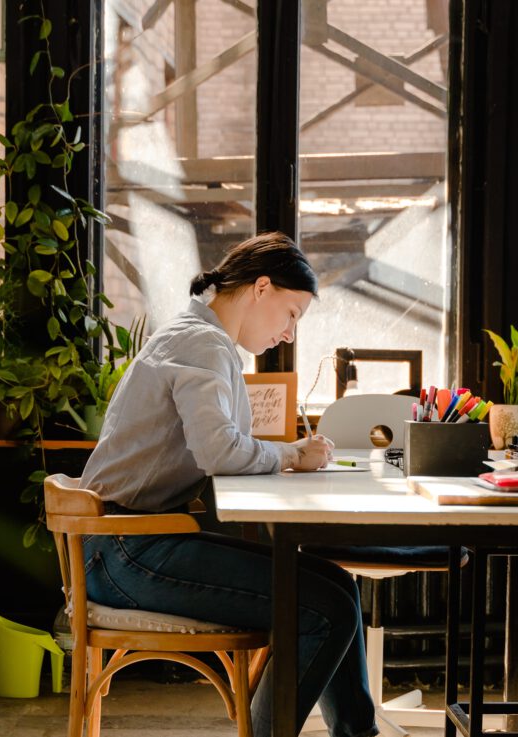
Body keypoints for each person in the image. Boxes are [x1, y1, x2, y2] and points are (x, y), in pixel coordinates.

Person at [79, 232, 378, 737]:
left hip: (129, 544)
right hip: (127, 553)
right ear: (262, 288)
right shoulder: (202, 342)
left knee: (337, 586)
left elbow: (220, 446)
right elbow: (219, 451)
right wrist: (290, 455)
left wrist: (285, 456)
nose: (288, 334)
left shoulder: (196, 336)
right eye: (292, 315)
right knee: (324, 608)